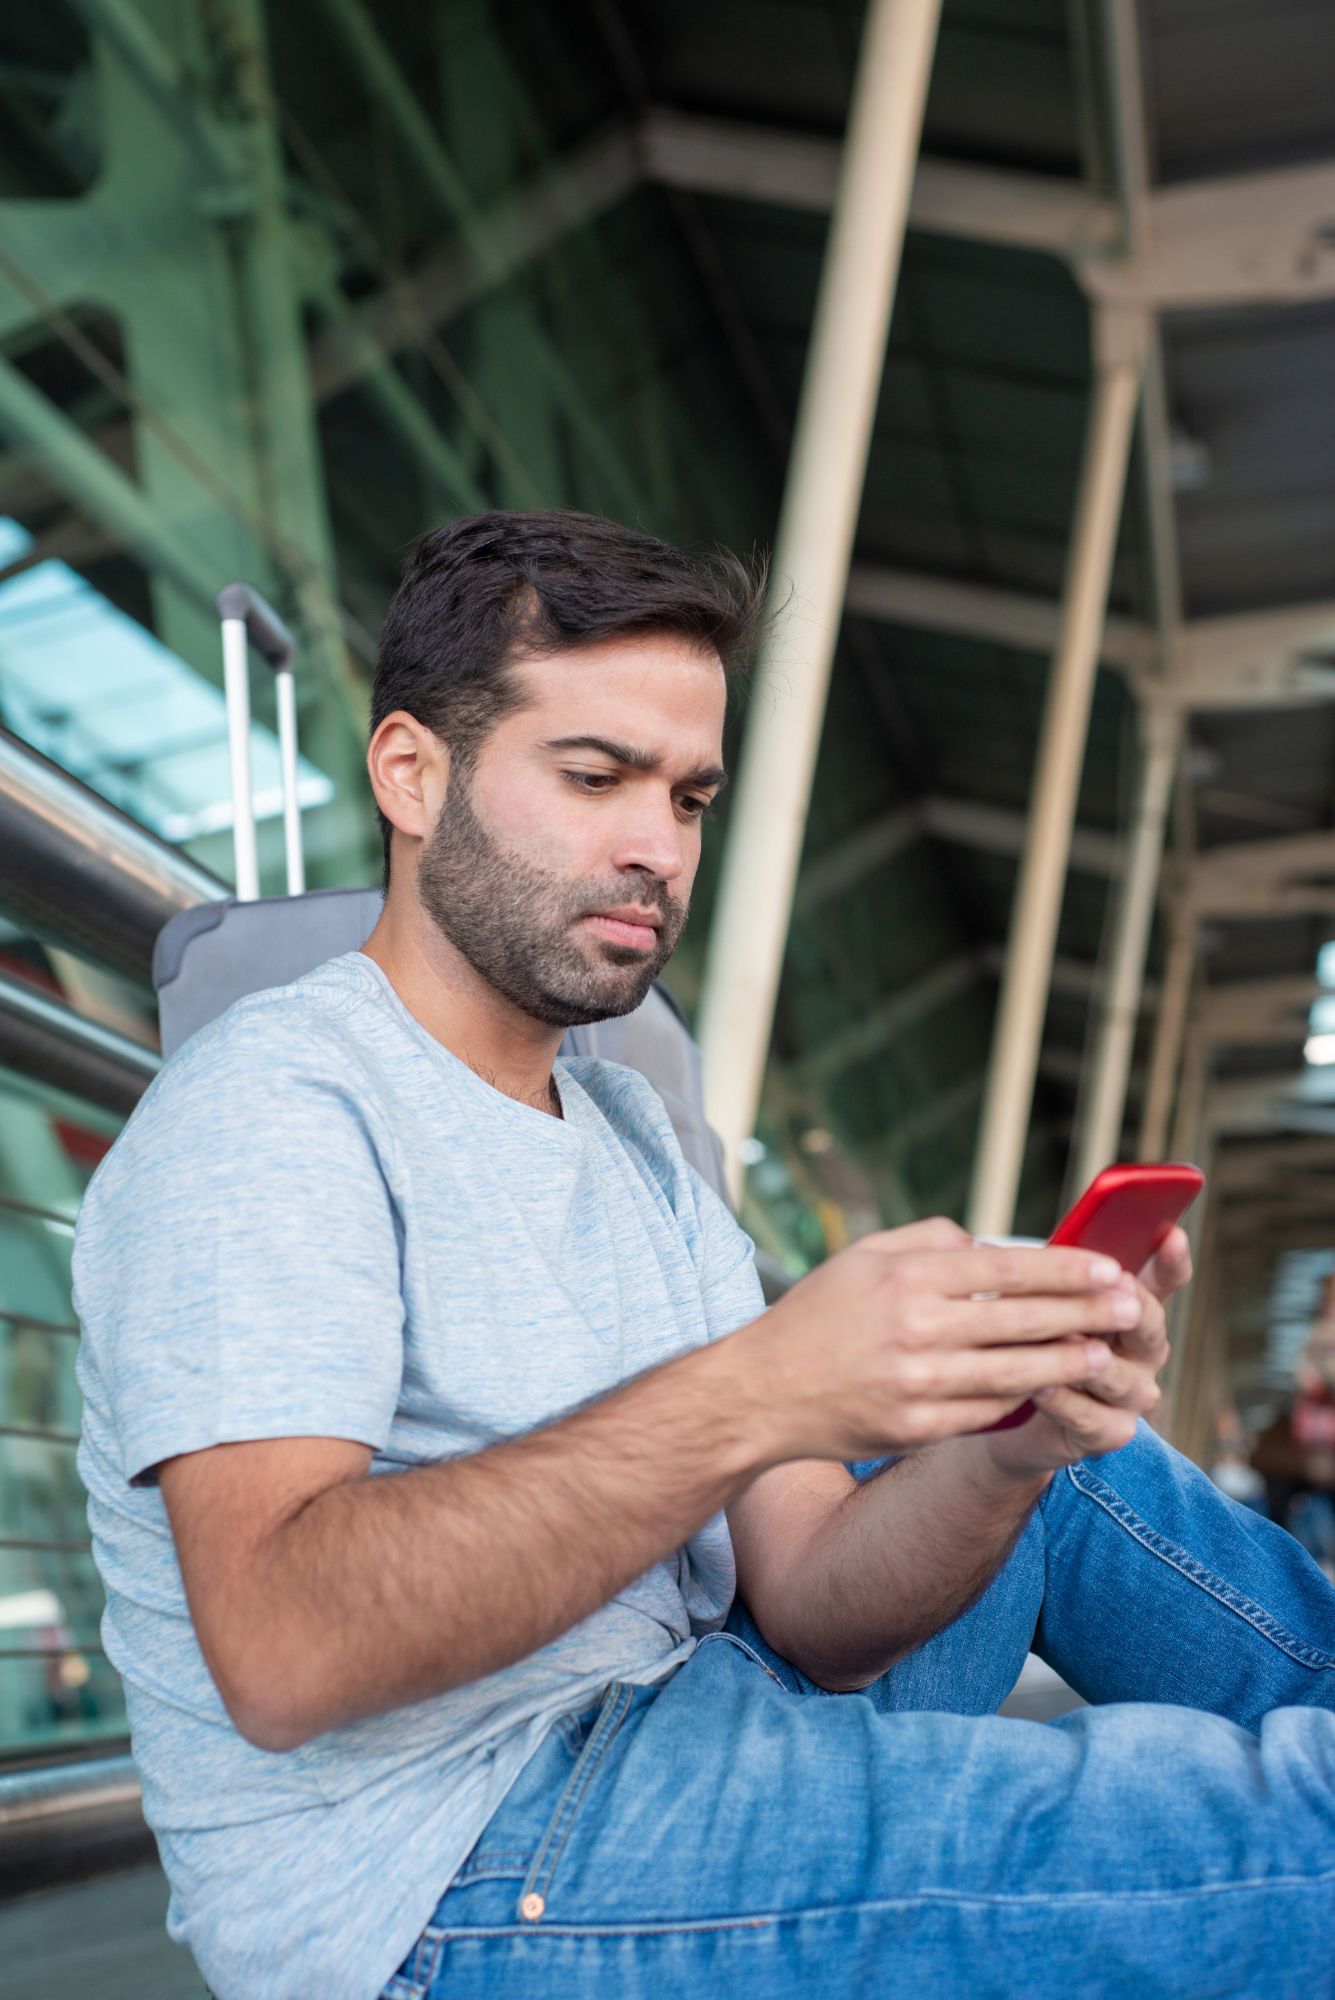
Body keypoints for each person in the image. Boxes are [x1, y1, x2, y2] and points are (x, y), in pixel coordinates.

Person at [74, 511, 1335, 2000]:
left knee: (1058, 1459)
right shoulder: (270, 1110)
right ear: (411, 775)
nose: (653, 848)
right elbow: (282, 1649)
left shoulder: (625, 1139)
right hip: (461, 1865)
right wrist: (762, 1388)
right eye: (595, 776)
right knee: (1282, 1837)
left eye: (688, 797)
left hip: (686, 1712)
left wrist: (1001, 1460)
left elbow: (811, 1601)